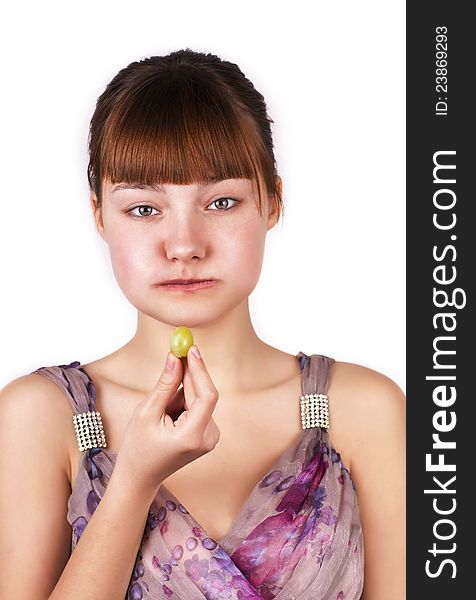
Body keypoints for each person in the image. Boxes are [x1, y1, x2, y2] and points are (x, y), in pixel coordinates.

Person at [0, 48, 405, 599]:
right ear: (99, 214)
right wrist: (133, 481)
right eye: (144, 208)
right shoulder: (41, 417)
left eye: (221, 202)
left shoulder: (363, 408)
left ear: (273, 204)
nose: (185, 245)